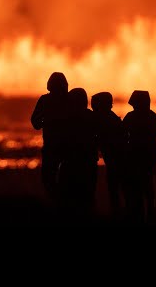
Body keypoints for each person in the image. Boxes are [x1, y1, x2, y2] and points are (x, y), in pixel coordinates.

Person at [57, 87, 98, 218]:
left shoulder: (66, 117)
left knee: (68, 195)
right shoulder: (91, 116)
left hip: (71, 161)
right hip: (88, 161)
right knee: (87, 195)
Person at [122, 90, 156, 223]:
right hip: (149, 152)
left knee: (138, 186)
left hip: (137, 153)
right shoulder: (153, 116)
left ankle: (140, 214)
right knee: (147, 184)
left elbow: (122, 132)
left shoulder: (130, 117)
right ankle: (149, 214)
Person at [31, 72, 70, 198]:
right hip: (67, 146)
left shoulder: (45, 100)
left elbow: (35, 122)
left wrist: (45, 121)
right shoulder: (69, 100)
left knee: (48, 179)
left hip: (51, 145)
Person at [92, 91, 126, 218]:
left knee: (115, 188)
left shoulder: (106, 120)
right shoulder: (108, 118)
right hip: (114, 159)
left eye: (95, 105)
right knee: (116, 189)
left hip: (117, 160)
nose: (92, 108)